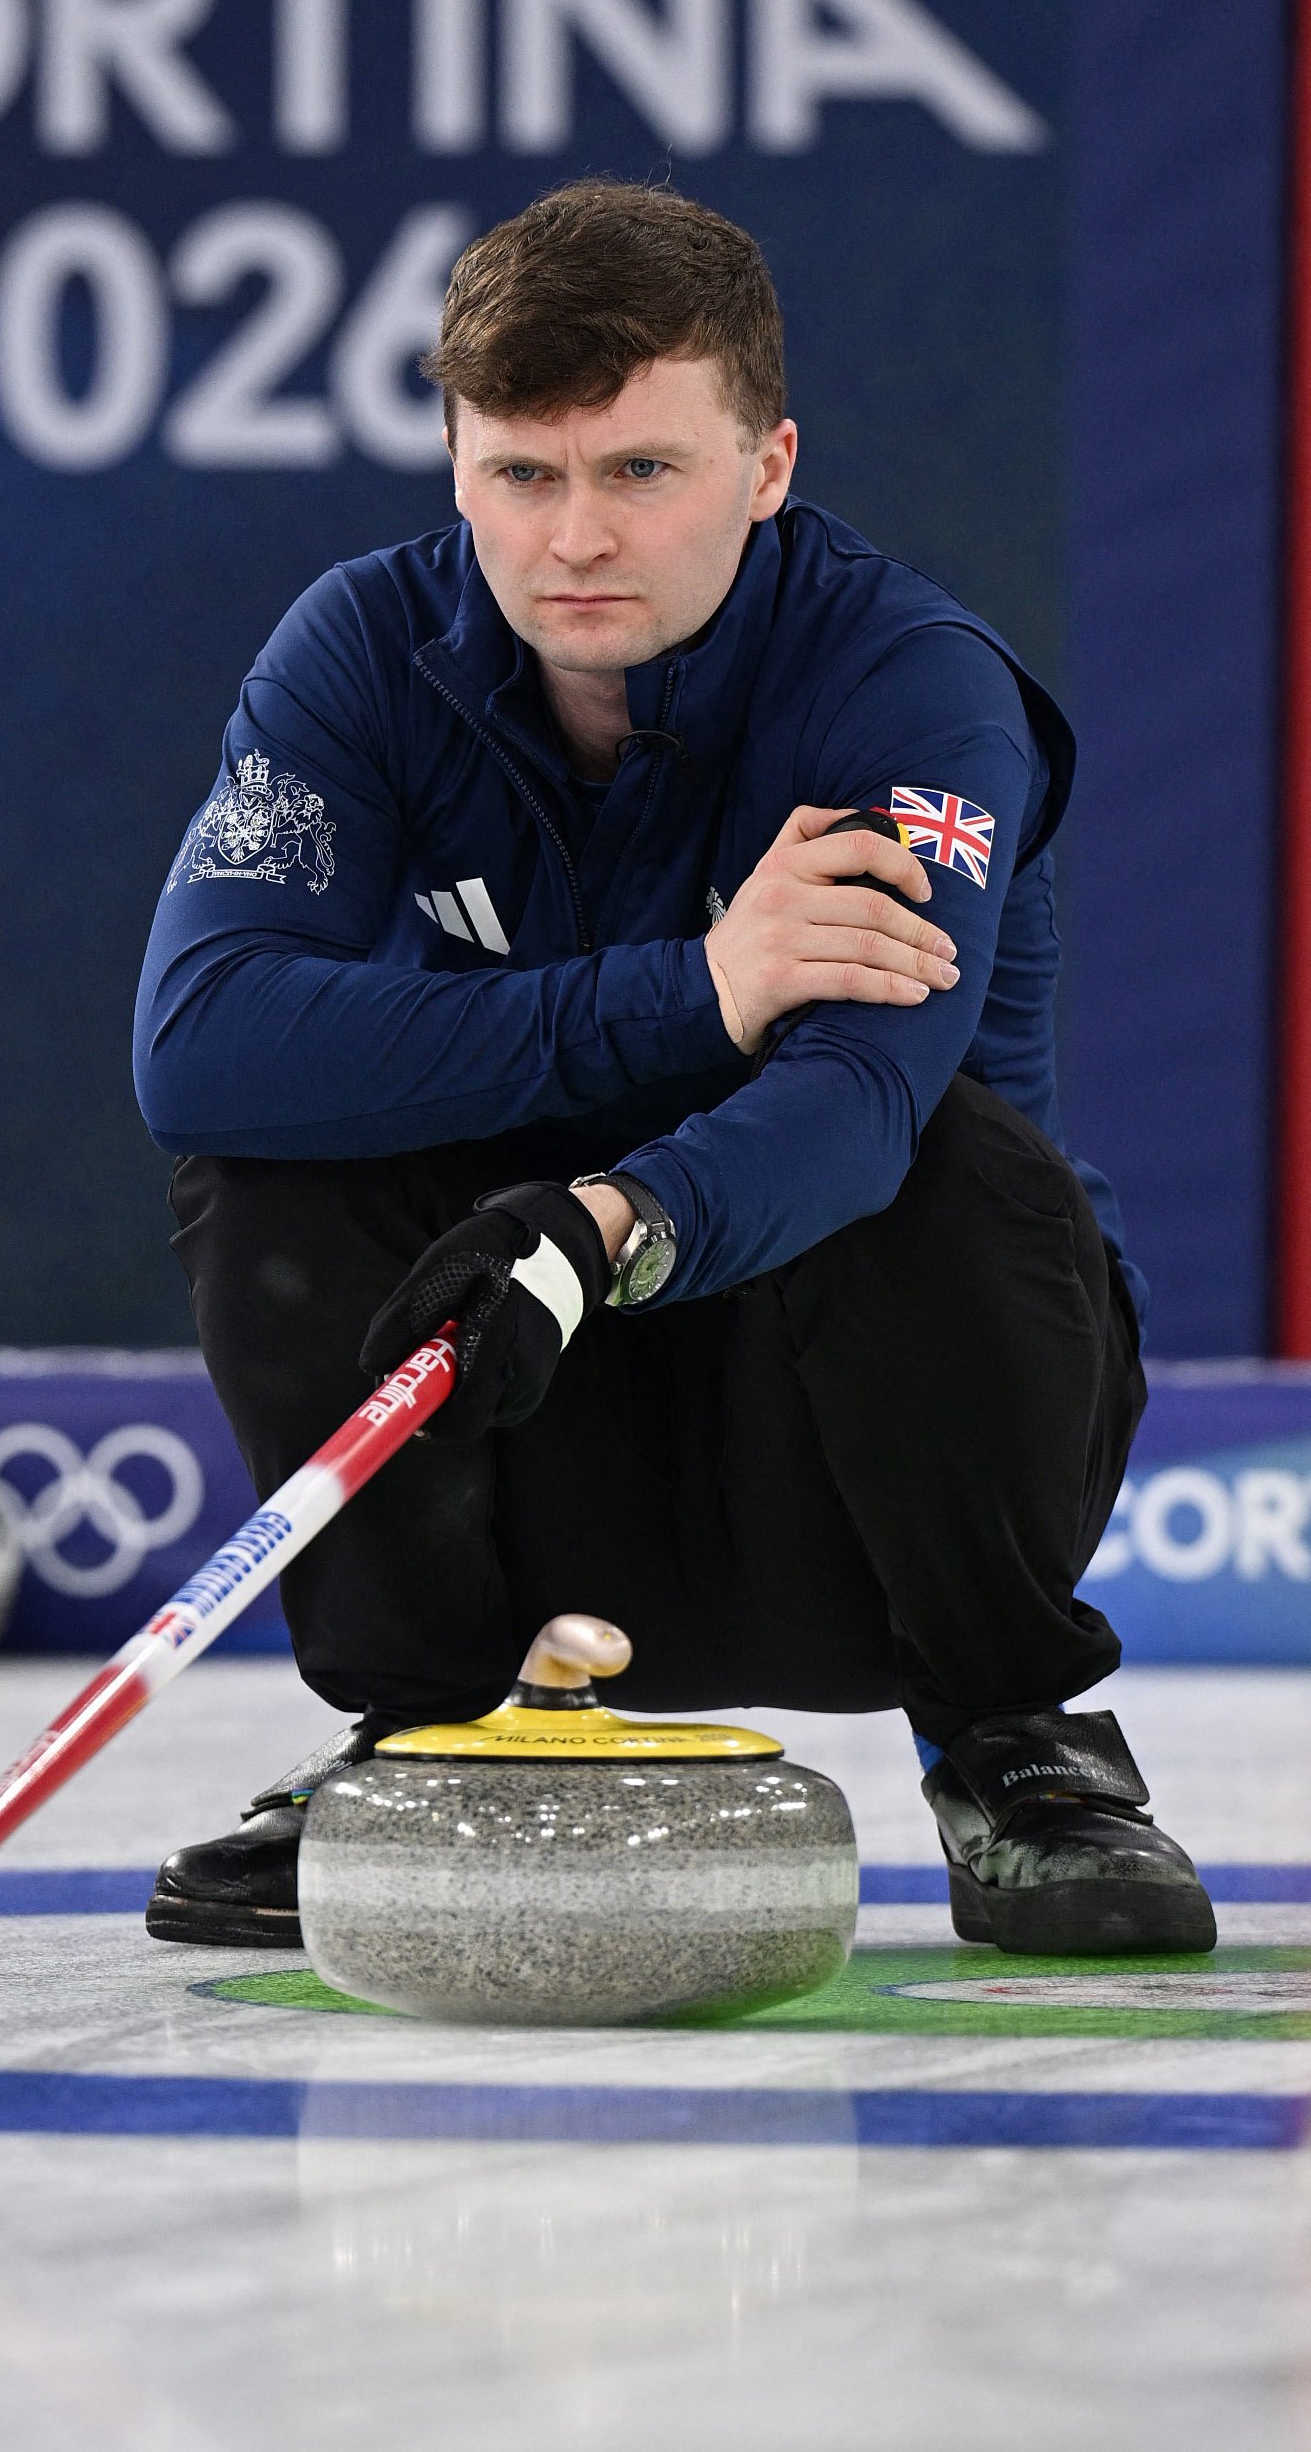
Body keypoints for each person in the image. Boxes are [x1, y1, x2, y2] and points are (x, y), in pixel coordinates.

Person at [132, 178, 1209, 1961]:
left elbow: (856, 1098)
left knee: (946, 1160)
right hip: (527, 1417)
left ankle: (1017, 1743)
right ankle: (424, 1730)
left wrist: (604, 1216)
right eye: (518, 473)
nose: (572, 539)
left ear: (766, 465)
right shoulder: (358, 650)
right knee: (269, 1155)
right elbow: (200, 1048)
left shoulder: (909, 688)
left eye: (641, 470)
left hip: (859, 1470)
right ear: (455, 462)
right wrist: (695, 991)